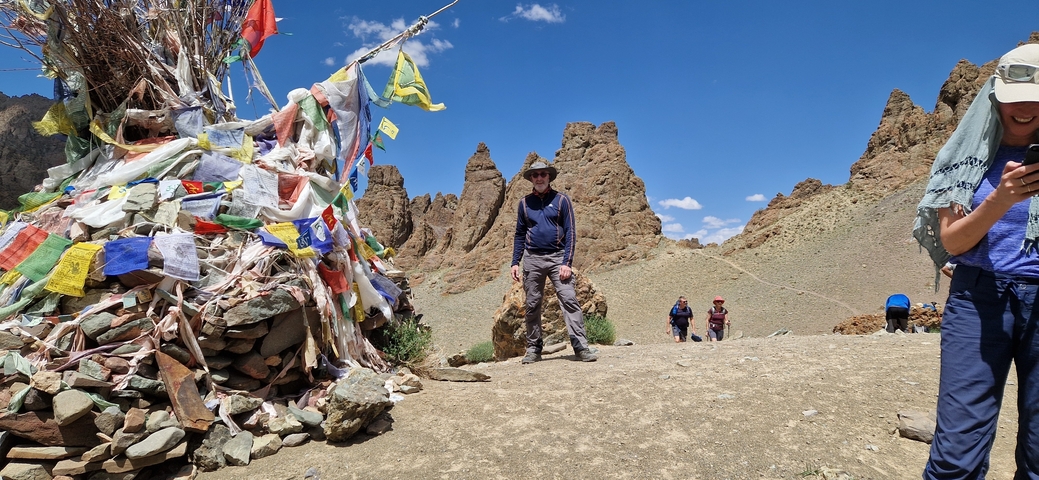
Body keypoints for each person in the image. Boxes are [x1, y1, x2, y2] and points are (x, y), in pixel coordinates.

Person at [914, 43, 1039, 478]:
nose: (1024, 109)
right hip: (979, 297)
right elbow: (953, 241)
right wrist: (1002, 199)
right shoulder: (966, 162)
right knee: (957, 453)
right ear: (995, 97)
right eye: (1013, 100)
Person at [511, 160, 597, 363]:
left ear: (549, 176)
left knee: (569, 299)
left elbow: (571, 232)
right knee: (532, 304)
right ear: (531, 179)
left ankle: (581, 347)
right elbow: (519, 234)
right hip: (532, 259)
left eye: (543, 174)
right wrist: (515, 262)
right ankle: (533, 349)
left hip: (558, 257)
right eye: (535, 175)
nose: (539, 178)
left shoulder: (561, 200)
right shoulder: (524, 203)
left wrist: (567, 262)